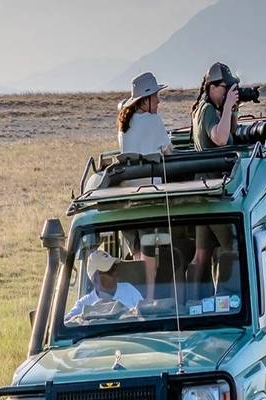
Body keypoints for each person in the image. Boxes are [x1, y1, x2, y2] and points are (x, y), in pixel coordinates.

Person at [116, 72, 172, 299]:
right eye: (156, 97)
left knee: (138, 253)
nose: (158, 101)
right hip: (149, 196)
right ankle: (149, 298)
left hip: (129, 197)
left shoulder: (124, 124)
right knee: (150, 257)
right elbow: (168, 151)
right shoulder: (153, 121)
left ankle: (137, 298)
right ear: (146, 100)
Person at [188, 62, 239, 299]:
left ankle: (191, 303)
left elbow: (230, 135)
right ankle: (226, 300)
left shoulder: (201, 108)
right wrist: (227, 106)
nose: (227, 91)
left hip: (203, 193)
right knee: (232, 250)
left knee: (202, 254)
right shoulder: (208, 109)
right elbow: (219, 138)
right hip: (214, 194)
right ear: (211, 87)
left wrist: (231, 109)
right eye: (224, 88)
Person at [65, 250, 143, 321]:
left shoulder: (128, 289)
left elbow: (145, 313)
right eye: (109, 271)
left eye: (115, 268)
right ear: (95, 278)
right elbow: (67, 322)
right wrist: (90, 311)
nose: (115, 273)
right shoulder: (83, 304)